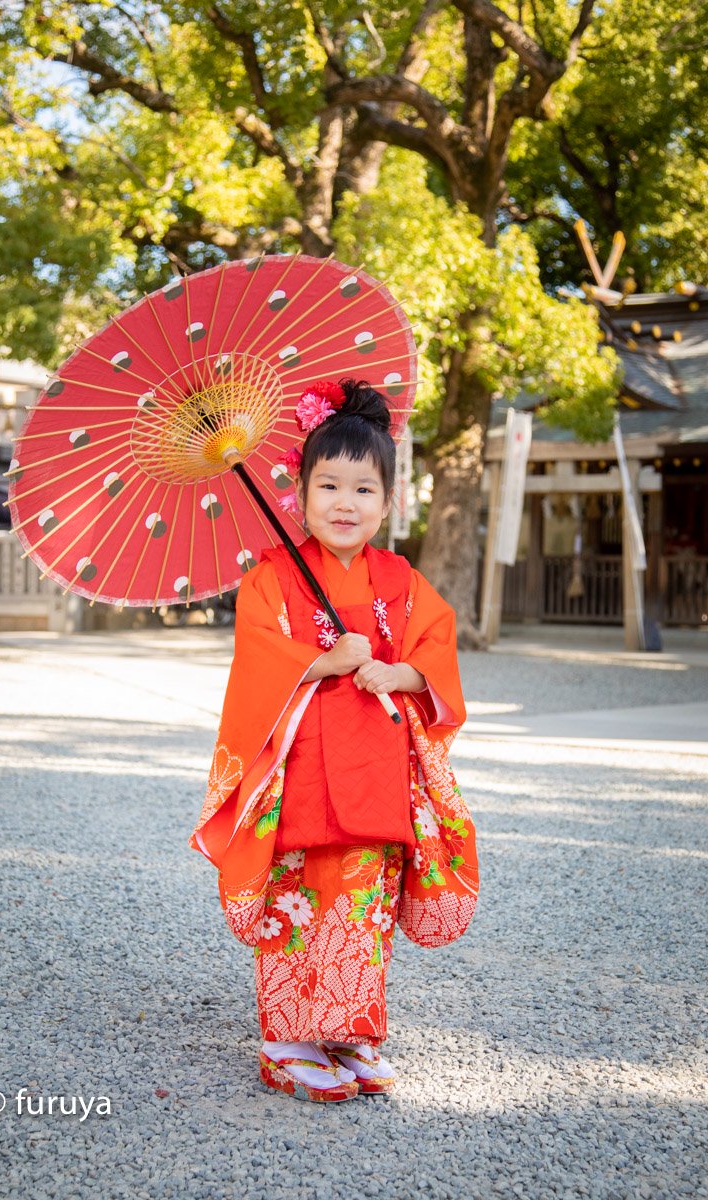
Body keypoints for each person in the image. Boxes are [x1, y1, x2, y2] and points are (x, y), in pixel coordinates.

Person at [188, 378, 479, 1103]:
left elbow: (436, 653)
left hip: (376, 765)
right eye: (328, 486)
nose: (345, 505)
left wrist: (396, 669)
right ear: (299, 491)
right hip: (300, 769)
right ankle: (287, 1039)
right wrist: (324, 660)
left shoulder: (400, 579)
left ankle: (350, 1029)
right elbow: (256, 661)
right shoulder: (272, 578)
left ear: (388, 500)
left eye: (364, 490)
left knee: (361, 900)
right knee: (297, 895)